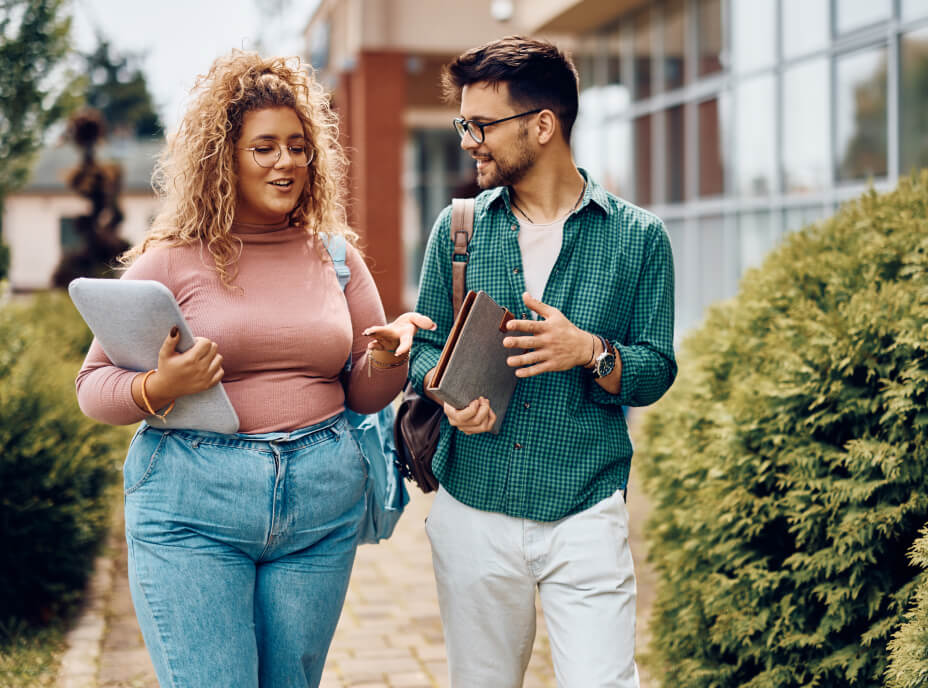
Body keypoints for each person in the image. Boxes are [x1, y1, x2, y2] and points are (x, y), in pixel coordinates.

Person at [75, 51, 433, 688]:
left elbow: (364, 394)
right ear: (225, 158)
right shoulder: (171, 261)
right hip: (193, 503)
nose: (287, 162)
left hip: (321, 504)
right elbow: (92, 388)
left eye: (298, 146)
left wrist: (386, 357)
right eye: (264, 147)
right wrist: (160, 386)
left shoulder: (336, 256)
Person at [408, 36, 677, 687]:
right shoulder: (459, 228)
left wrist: (590, 351)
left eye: (482, 124)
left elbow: (656, 369)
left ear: (543, 125)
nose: (469, 139)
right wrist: (447, 395)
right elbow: (423, 348)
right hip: (473, 507)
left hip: (584, 509)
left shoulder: (639, 239)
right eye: (463, 122)